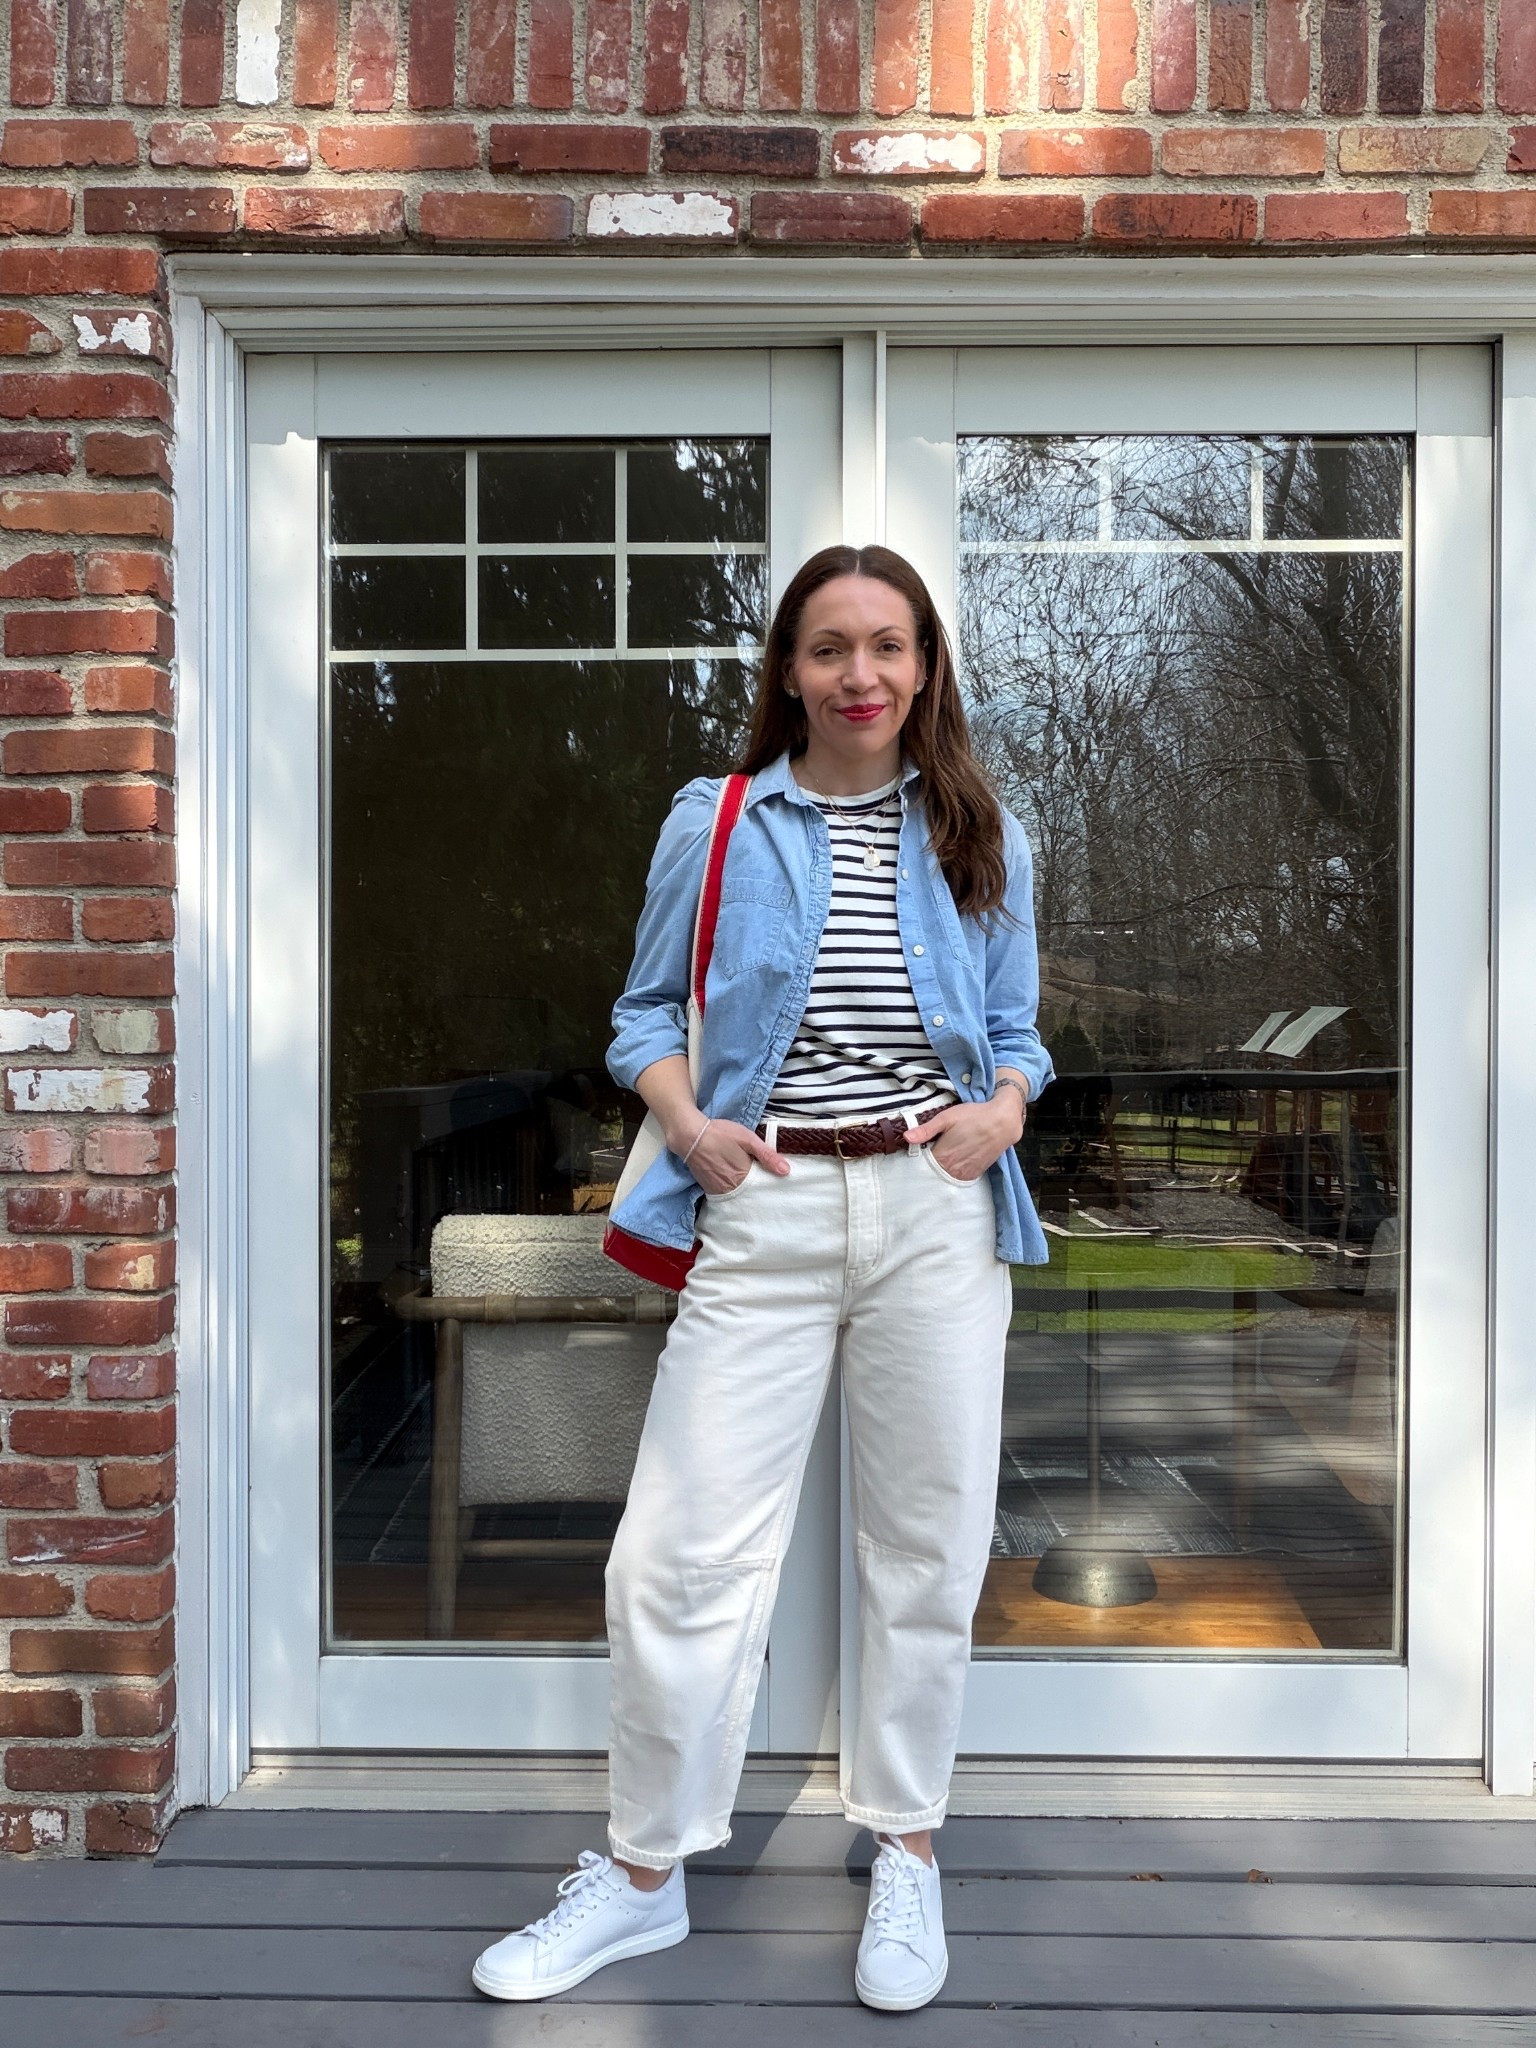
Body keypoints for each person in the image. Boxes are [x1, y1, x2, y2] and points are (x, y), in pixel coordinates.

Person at [472, 544, 1054, 2012]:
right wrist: (685, 1120)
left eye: (890, 647)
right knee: (675, 1555)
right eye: (831, 647)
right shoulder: (719, 820)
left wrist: (1004, 1111)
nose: (862, 674)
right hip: (771, 1203)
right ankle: (643, 1874)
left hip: (935, 1208)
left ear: (924, 669)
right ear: (788, 670)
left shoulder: (980, 826)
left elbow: (1019, 1031)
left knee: (925, 1544)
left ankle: (907, 1849)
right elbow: (643, 1013)